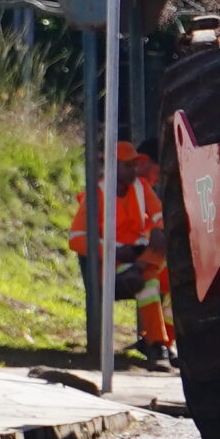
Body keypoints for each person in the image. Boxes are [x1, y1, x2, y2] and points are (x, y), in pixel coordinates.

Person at [68, 140, 176, 370]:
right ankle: (157, 346)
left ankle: (170, 341)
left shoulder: (141, 187)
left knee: (177, 279)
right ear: (113, 167)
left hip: (140, 257)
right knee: (148, 283)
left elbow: (159, 213)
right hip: (111, 265)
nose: (134, 170)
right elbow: (76, 238)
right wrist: (112, 249)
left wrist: (157, 228)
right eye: (128, 166)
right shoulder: (95, 194)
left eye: (135, 165)